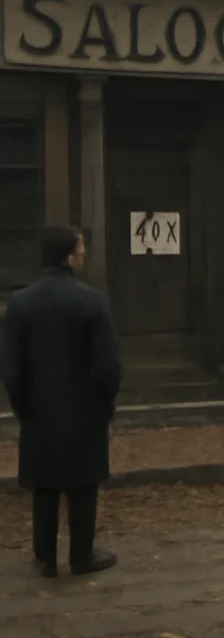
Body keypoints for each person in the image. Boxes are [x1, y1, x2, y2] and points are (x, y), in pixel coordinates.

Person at [0, 226, 121, 578]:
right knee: (83, 487)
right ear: (68, 256)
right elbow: (107, 366)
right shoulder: (92, 302)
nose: (83, 256)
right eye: (81, 251)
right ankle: (81, 556)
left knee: (45, 486)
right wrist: (104, 407)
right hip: (84, 410)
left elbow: (12, 369)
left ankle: (45, 557)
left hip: (38, 409)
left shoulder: (21, 304)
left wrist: (23, 409)